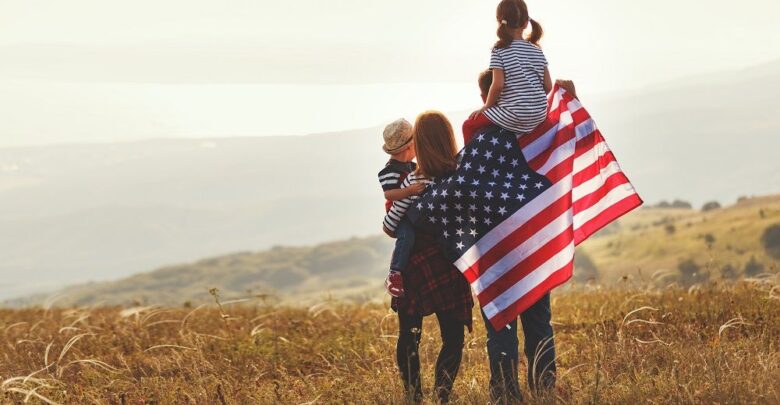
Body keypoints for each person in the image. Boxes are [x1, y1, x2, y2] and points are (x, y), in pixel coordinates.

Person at [463, 69, 580, 405]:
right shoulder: (534, 131)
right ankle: (544, 389)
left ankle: (503, 394)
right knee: (538, 320)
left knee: (501, 323)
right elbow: (569, 135)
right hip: (531, 245)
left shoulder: (477, 134)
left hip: (493, 248)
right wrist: (568, 96)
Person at [385, 111, 473, 404]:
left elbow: (389, 227)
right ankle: (442, 396)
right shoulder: (461, 176)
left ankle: (414, 396)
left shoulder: (412, 179)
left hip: (415, 266)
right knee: (453, 337)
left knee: (410, 336)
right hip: (449, 264)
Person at [467, 0, 552, 140]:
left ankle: (469, 160)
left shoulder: (499, 50)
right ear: (526, 23)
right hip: (539, 114)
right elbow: (548, 86)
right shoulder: (536, 50)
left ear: (500, 21)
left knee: (469, 125)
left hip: (515, 115)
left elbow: (498, 85)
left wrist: (487, 106)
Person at [378, 119, 428, 297]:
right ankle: (395, 272)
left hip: (411, 211)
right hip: (399, 216)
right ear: (409, 147)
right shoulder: (389, 171)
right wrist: (409, 190)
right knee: (407, 235)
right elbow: (389, 194)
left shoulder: (411, 167)